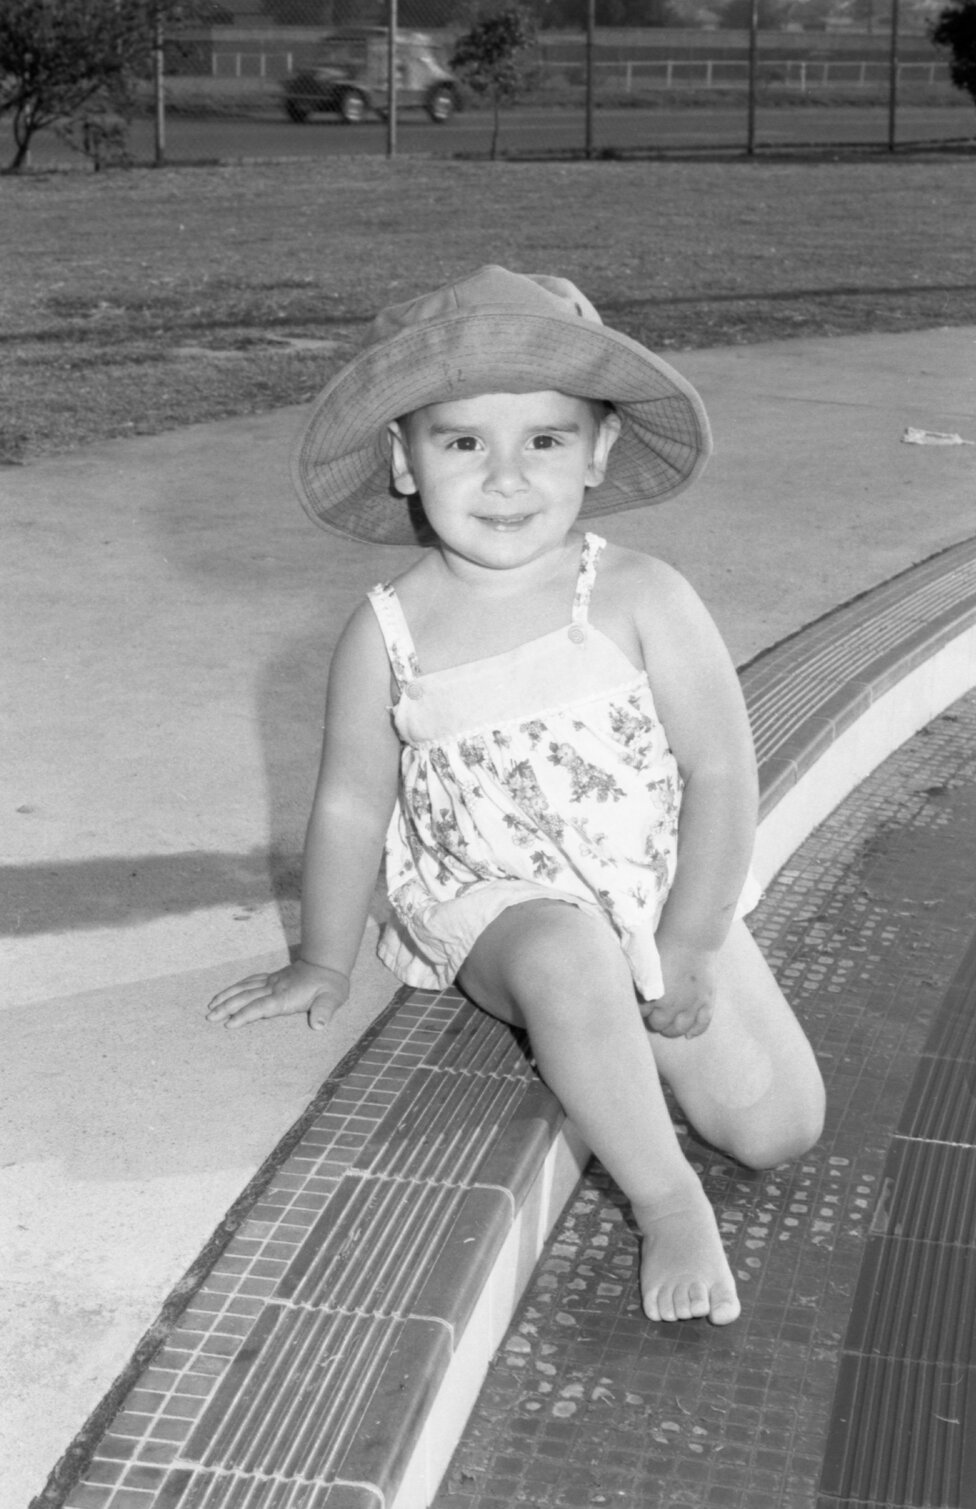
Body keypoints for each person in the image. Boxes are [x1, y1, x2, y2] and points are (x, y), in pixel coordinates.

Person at [206, 265, 825, 1327]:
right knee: (564, 952)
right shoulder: (389, 631)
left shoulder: (641, 598)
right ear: (404, 463)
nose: (504, 477)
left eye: (542, 440)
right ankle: (665, 1197)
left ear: (597, 450)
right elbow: (354, 804)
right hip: (492, 900)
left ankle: (625, 1023)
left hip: (649, 884)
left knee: (777, 1131)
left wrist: (685, 937)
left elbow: (722, 773)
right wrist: (323, 956)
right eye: (461, 443)